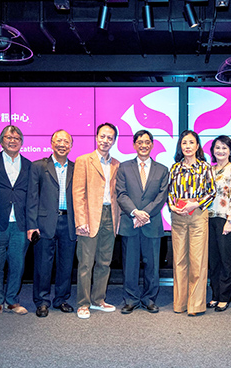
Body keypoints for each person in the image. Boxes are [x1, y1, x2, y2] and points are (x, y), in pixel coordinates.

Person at [116, 130, 169, 314]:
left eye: (147, 142)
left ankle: (149, 299)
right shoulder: (124, 167)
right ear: (134, 145)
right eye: (140, 142)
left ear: (152, 145)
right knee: (129, 265)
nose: (143, 145)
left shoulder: (162, 169)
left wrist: (144, 214)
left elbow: (162, 196)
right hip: (129, 223)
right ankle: (130, 299)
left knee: (152, 266)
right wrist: (135, 213)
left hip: (151, 223)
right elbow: (121, 194)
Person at [26, 130, 77, 318]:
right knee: (42, 265)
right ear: (51, 144)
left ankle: (61, 299)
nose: (62, 144)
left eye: (66, 141)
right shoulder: (39, 166)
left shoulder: (76, 167)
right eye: (59, 141)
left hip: (68, 221)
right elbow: (32, 198)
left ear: (71, 146)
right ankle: (42, 301)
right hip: (44, 222)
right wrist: (32, 224)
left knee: (66, 264)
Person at [73, 122, 121, 319]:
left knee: (104, 261)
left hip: (110, 215)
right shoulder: (83, 160)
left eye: (110, 138)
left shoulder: (117, 164)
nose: (106, 141)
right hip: (90, 216)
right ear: (96, 137)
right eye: (103, 136)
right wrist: (81, 220)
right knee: (85, 263)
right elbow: (78, 193)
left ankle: (98, 299)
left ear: (114, 141)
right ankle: (83, 303)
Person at [168, 130, 216, 316]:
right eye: (184, 143)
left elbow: (211, 191)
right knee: (179, 261)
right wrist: (173, 206)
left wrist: (195, 204)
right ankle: (179, 303)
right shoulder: (174, 168)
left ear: (197, 146)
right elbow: (170, 193)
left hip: (197, 215)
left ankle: (195, 305)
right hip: (178, 217)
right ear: (181, 146)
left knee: (198, 261)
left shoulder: (205, 168)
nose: (187, 146)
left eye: (191, 143)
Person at [0, 125, 32, 319]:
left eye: (17, 138)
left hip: (20, 224)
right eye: (8, 137)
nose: (13, 141)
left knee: (17, 264)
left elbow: (32, 197)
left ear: (21, 142)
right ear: (1, 140)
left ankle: (12, 299)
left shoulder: (29, 164)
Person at [206, 135, 231, 312]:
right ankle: (215, 295)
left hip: (226, 220)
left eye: (224, 148)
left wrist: (230, 221)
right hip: (209, 219)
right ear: (213, 150)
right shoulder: (210, 170)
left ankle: (225, 297)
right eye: (217, 147)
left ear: (230, 151)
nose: (220, 151)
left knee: (226, 260)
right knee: (213, 260)